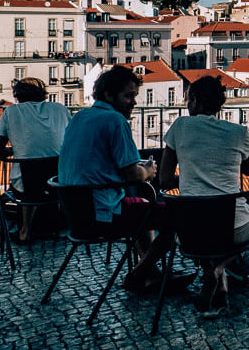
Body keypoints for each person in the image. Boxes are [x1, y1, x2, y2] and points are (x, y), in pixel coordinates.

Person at [58, 65, 193, 294]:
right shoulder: (115, 120)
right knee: (175, 215)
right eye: (128, 96)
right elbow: (132, 175)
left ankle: (150, 275)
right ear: (109, 95)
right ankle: (138, 274)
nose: (133, 102)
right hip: (102, 214)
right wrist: (149, 172)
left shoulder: (80, 116)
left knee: (142, 208)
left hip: (76, 213)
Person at [158, 75, 249, 318]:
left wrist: (193, 178)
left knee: (204, 231)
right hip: (231, 227)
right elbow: (248, 169)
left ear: (193, 101)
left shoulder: (179, 127)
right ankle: (219, 269)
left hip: (190, 230)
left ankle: (217, 278)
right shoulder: (239, 132)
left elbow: (164, 180)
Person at [0, 77, 70, 244]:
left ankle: (24, 230)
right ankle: (55, 224)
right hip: (59, 178)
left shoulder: (11, 112)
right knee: (40, 178)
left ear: (17, 96)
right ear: (43, 94)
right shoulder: (60, 109)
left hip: (28, 182)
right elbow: (69, 140)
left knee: (24, 186)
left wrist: (17, 150)